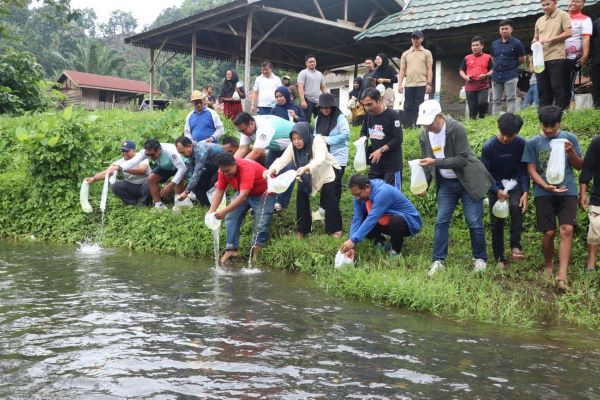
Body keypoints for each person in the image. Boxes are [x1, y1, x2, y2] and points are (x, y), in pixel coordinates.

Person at [416, 100, 494, 276]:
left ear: (440, 116)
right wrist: (424, 184)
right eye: (424, 123)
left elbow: (462, 159)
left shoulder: (455, 129)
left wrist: (436, 162)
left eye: (429, 122)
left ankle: (480, 259)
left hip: (468, 181)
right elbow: (426, 163)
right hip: (446, 184)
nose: (427, 126)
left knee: (473, 221)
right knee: (441, 220)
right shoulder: (424, 136)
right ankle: (438, 261)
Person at [522, 105, 583, 289]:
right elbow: (531, 169)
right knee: (548, 232)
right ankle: (548, 265)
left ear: (560, 123)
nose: (549, 130)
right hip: (544, 192)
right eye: (545, 126)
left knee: (567, 229)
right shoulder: (533, 142)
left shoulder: (569, 138)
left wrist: (571, 152)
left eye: (553, 126)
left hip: (567, 190)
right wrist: (544, 185)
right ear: (540, 123)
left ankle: (562, 273)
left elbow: (580, 166)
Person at [267, 122, 342, 238]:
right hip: (304, 174)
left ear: (306, 135)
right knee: (301, 198)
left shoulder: (317, 141)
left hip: (325, 172)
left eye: (299, 138)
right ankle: (303, 228)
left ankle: (335, 228)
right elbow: (282, 160)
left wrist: (307, 167)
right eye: (294, 138)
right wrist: (272, 170)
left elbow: (320, 158)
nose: (296, 141)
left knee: (330, 198)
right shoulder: (292, 146)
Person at [207, 152, 275, 264]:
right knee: (231, 217)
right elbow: (219, 192)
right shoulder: (223, 171)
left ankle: (256, 253)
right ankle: (231, 250)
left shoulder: (246, 168)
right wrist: (211, 210)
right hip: (245, 191)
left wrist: (223, 211)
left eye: (227, 171)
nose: (225, 174)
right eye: (222, 171)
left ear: (235, 164)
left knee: (261, 222)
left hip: (264, 192)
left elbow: (243, 196)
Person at [480, 113, 530, 268]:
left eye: (511, 136)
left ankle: (516, 245)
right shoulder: (488, 147)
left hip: (515, 182)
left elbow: (523, 170)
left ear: (517, 133)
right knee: (497, 219)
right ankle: (499, 256)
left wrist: (525, 192)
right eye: (504, 135)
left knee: (516, 207)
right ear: (499, 129)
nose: (507, 139)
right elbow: (485, 173)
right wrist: (496, 190)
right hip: (495, 183)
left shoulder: (521, 144)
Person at [340, 174, 422, 258]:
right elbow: (357, 218)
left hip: (409, 223)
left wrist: (353, 240)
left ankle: (395, 251)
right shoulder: (358, 195)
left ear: (367, 187)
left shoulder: (383, 192)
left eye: (358, 194)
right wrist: (352, 243)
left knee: (396, 220)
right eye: (354, 195)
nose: (357, 198)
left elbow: (372, 218)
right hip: (385, 219)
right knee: (363, 218)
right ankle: (380, 243)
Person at [233, 112, 294, 210]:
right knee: (267, 171)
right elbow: (242, 149)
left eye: (244, 130)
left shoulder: (264, 127)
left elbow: (256, 153)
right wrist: (231, 164)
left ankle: (281, 203)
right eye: (241, 131)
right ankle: (268, 198)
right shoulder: (245, 127)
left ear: (251, 124)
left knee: (287, 173)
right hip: (276, 147)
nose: (243, 133)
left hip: (292, 145)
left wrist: (238, 168)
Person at [110, 138, 188, 210]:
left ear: (159, 150)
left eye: (152, 154)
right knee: (152, 178)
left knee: (179, 179)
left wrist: (171, 184)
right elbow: (133, 161)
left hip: (180, 165)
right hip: (166, 166)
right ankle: (159, 206)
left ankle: (179, 204)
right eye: (148, 155)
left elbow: (182, 168)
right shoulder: (146, 152)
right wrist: (120, 167)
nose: (150, 157)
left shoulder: (171, 151)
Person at [360, 88, 403, 190]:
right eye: (365, 105)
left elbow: (398, 139)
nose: (367, 108)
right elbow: (363, 132)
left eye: (369, 104)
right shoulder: (368, 116)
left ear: (378, 100)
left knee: (391, 196)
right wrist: (361, 141)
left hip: (392, 165)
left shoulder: (392, 115)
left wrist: (381, 150)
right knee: (372, 194)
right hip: (376, 164)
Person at [84, 140, 150, 206]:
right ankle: (133, 203)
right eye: (123, 151)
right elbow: (106, 173)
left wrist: (123, 168)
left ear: (134, 150)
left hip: (145, 186)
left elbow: (142, 170)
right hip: (132, 187)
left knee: (150, 180)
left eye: (127, 151)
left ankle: (145, 203)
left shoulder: (141, 157)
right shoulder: (120, 162)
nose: (124, 153)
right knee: (114, 185)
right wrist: (93, 178)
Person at [533, 0, 573, 109]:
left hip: (556, 56)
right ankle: (545, 114)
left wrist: (550, 39)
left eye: (548, 4)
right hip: (540, 59)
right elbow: (535, 38)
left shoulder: (563, 15)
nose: (545, 7)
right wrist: (535, 42)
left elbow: (569, 32)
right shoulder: (539, 20)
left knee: (557, 87)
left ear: (555, 3)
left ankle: (561, 112)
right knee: (543, 88)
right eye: (543, 5)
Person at [315, 92, 350, 205]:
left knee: (335, 182)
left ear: (333, 106)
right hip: (324, 154)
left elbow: (346, 135)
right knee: (324, 181)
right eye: (322, 108)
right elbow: (316, 134)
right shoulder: (318, 118)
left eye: (328, 107)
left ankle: (334, 208)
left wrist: (327, 139)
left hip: (339, 153)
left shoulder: (340, 117)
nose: (325, 110)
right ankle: (323, 208)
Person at [398, 30, 434, 128]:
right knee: (408, 106)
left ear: (422, 39)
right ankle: (408, 127)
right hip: (409, 84)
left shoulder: (427, 53)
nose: (415, 40)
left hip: (422, 84)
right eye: (413, 38)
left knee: (419, 106)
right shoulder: (405, 54)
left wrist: (429, 84)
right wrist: (400, 84)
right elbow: (402, 70)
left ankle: (418, 127)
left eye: (417, 38)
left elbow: (429, 69)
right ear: (411, 39)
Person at [490, 19, 526, 115]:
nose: (504, 31)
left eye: (506, 28)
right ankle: (494, 121)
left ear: (511, 30)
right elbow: (493, 58)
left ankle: (510, 119)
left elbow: (522, 59)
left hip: (510, 75)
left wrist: (511, 65)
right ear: (499, 30)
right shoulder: (494, 44)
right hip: (496, 75)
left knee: (511, 99)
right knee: (496, 100)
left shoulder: (517, 43)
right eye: (502, 29)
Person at [175, 136, 223, 207]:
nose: (182, 155)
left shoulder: (200, 150)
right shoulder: (189, 151)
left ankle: (216, 208)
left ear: (189, 146)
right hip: (209, 165)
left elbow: (197, 172)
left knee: (213, 185)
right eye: (180, 153)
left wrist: (186, 192)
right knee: (197, 187)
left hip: (221, 165)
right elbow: (190, 171)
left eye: (183, 152)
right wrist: (190, 189)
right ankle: (206, 207)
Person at [564, 0, 592, 107]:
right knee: (558, 84)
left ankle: (567, 108)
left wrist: (585, 55)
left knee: (568, 83)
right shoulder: (561, 17)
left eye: (578, 1)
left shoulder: (585, 19)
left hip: (572, 57)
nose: (574, 3)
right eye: (572, 0)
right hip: (557, 57)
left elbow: (585, 38)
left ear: (582, 4)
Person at [579, 134, 600, 273]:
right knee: (595, 228)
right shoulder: (597, 141)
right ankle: (591, 262)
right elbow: (587, 169)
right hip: (598, 196)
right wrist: (583, 193)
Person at [460, 36, 493, 119]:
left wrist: (485, 75)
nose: (474, 47)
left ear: (482, 46)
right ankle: (473, 126)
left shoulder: (488, 57)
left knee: (482, 103)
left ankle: (482, 117)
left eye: (477, 45)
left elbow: (493, 70)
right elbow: (461, 71)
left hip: (483, 86)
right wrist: (466, 77)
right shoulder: (467, 58)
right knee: (472, 111)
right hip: (470, 87)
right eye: (473, 45)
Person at [297, 54, 327, 123]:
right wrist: (302, 101)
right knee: (305, 120)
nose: (312, 63)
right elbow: (300, 87)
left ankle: (320, 133)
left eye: (314, 61)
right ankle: (305, 133)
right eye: (310, 62)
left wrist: (327, 99)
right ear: (306, 63)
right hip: (307, 100)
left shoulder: (319, 74)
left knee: (321, 120)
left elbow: (323, 88)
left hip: (318, 101)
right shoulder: (303, 73)